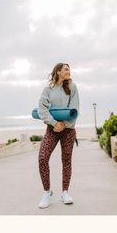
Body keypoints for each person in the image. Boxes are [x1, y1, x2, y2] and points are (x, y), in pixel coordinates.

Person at [38, 63, 79, 209]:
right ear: (58, 72)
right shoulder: (47, 90)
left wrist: (64, 124)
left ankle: (65, 192)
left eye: (69, 69)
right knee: (42, 157)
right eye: (66, 69)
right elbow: (41, 108)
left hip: (68, 130)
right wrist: (54, 123)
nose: (69, 71)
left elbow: (75, 109)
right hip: (52, 129)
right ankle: (47, 192)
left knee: (66, 161)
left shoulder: (72, 87)